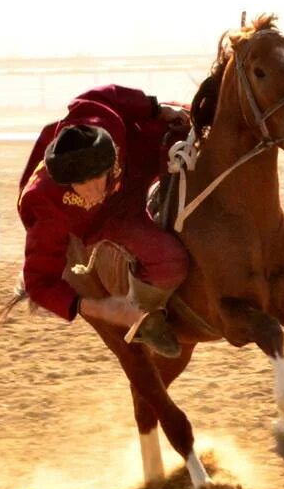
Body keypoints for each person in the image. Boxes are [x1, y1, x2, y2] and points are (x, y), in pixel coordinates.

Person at [16, 85, 190, 358]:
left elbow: (102, 96)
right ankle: (148, 316)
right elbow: (38, 282)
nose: (92, 191)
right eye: (79, 186)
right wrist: (98, 308)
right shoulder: (47, 205)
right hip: (112, 215)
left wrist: (158, 109)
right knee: (169, 261)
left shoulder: (105, 120)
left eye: (95, 179)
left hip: (139, 153)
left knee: (194, 121)